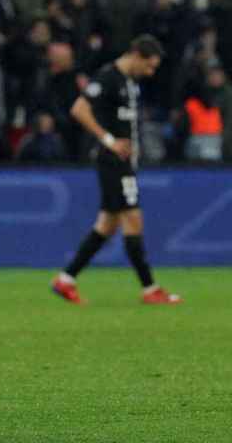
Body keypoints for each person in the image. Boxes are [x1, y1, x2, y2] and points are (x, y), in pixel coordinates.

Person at [51, 35, 182, 305]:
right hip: (112, 161)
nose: (151, 72)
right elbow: (79, 109)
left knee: (107, 225)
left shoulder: (129, 82)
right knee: (133, 219)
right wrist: (109, 140)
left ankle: (66, 280)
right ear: (136, 55)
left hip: (124, 161)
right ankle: (150, 289)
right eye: (149, 66)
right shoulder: (108, 77)